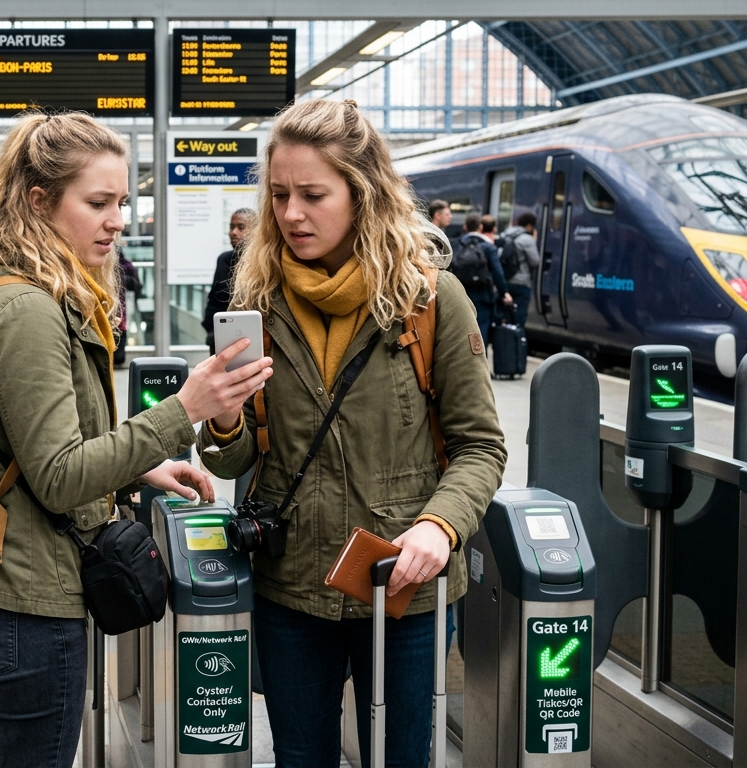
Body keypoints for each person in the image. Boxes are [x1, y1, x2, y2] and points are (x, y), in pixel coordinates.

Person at [0, 111, 272, 767]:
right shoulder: (28, 310)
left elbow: (15, 441)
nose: (118, 219)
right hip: (18, 604)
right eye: (98, 202)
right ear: (37, 202)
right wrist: (183, 409)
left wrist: (138, 470)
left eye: (122, 201)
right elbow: (56, 475)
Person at [197, 99, 506, 768]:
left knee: (401, 758)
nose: (290, 213)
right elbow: (238, 455)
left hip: (402, 584)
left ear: (362, 193)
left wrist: (440, 527)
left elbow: (480, 445)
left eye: (313, 194)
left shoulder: (429, 299)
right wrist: (222, 416)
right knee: (301, 757)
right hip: (292, 584)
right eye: (279, 194)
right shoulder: (256, 301)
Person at [202, 208, 255, 353]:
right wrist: (211, 330)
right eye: (232, 227)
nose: (234, 232)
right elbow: (214, 299)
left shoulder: (262, 263)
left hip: (250, 336)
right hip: (220, 335)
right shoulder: (224, 260)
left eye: (241, 227)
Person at [455, 214, 512, 343]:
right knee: (480, 330)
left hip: (460, 294)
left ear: (465, 227)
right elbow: (497, 272)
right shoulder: (488, 247)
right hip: (482, 296)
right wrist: (504, 292)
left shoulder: (458, 244)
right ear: (480, 227)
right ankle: (478, 359)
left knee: (460, 329)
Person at [500, 212, 540, 326]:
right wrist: (534, 241)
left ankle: (504, 340)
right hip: (521, 282)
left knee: (506, 315)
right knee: (519, 316)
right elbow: (535, 262)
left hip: (505, 280)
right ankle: (516, 340)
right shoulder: (527, 239)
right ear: (529, 225)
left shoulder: (506, 234)